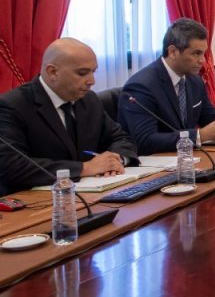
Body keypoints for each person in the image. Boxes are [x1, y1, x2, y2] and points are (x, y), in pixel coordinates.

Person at [0, 39, 137, 195]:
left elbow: (120, 138)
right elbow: (11, 166)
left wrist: (114, 161)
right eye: (82, 73)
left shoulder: (89, 100)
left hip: (90, 194)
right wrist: (85, 168)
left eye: (93, 72)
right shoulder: (12, 105)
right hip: (36, 199)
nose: (92, 81)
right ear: (52, 72)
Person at [119, 18, 215, 155]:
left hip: (187, 158)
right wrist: (199, 136)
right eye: (196, 53)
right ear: (173, 52)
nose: (202, 60)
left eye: (203, 53)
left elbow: (213, 120)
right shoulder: (141, 86)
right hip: (154, 162)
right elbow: (145, 141)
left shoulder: (195, 81)